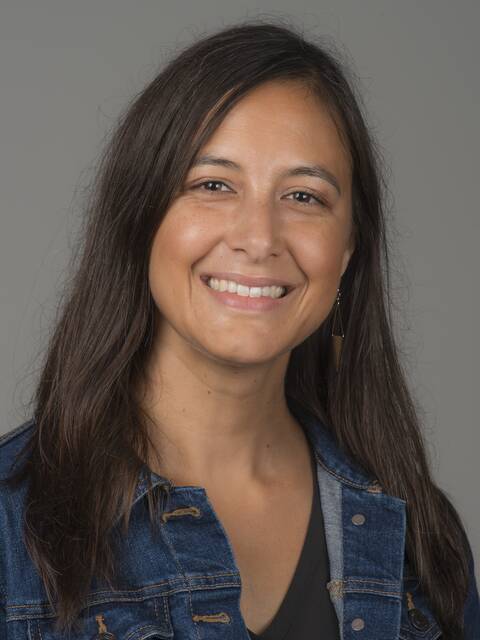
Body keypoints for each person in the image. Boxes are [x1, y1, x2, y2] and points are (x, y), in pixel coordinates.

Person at [0, 19, 478, 640]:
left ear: (350, 249)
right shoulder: (12, 526)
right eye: (214, 185)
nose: (258, 238)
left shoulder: (416, 534)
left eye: (304, 197)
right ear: (141, 217)